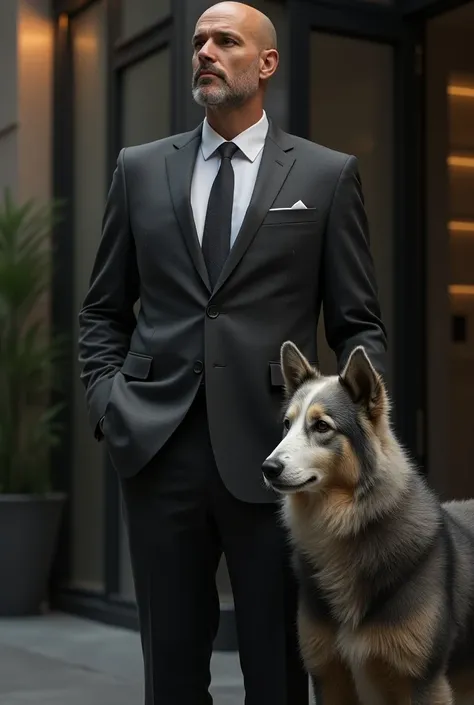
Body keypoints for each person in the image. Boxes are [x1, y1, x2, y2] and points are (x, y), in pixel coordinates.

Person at [78, 1, 388, 703]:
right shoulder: (139, 168)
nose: (205, 52)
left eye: (225, 41)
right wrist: (111, 406)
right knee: (172, 674)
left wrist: (353, 433)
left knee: (279, 671)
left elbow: (359, 325)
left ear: (267, 63)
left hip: (278, 458)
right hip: (157, 449)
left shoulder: (324, 177)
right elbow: (101, 310)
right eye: (198, 42)